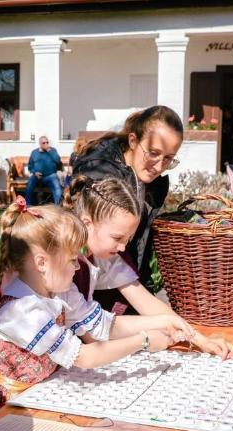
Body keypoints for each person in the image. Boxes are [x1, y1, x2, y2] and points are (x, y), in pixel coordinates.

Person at [0, 199, 193, 431]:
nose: (78, 266)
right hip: (9, 411)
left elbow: (102, 325)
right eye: (72, 259)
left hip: (38, 395)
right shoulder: (21, 310)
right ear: (41, 263)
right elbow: (83, 356)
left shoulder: (60, 291)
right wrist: (144, 340)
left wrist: (164, 321)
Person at [64, 175, 233, 359]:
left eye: (127, 239)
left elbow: (145, 302)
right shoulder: (63, 263)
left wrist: (202, 340)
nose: (123, 247)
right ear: (87, 223)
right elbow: (92, 334)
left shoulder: (104, 253)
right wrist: (147, 337)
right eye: (117, 238)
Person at [72, 105, 183, 311]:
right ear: (133, 141)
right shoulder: (100, 175)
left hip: (122, 283)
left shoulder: (150, 181)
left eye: (168, 158)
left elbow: (141, 241)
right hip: (86, 290)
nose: (159, 167)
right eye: (153, 153)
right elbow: (106, 258)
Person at [25, 135, 63, 205]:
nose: (46, 144)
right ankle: (28, 205)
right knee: (29, 186)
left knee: (57, 188)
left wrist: (50, 151)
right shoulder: (34, 152)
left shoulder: (53, 150)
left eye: (47, 142)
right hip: (37, 176)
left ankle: (58, 207)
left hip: (50, 175)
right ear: (40, 144)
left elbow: (58, 161)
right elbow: (30, 166)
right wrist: (34, 172)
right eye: (44, 143)